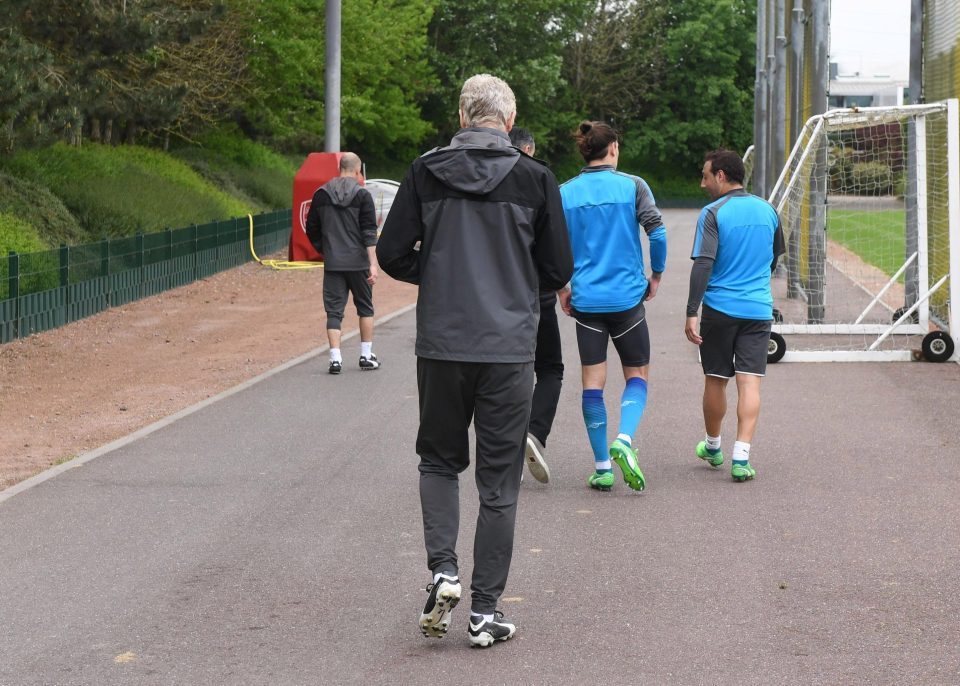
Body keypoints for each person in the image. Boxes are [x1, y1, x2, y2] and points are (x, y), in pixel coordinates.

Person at [377, 74, 573, 647]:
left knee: (438, 462)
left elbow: (392, 253)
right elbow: (557, 268)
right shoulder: (536, 178)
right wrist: (513, 286)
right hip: (509, 347)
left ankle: (443, 570)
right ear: (508, 123)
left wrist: (437, 274)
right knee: (498, 481)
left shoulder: (424, 171)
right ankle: (485, 612)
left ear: (463, 116)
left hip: (442, 342)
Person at [558, 121, 667, 493]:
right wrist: (657, 274)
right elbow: (658, 231)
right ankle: (624, 438)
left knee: (593, 382)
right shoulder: (633, 186)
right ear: (614, 148)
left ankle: (602, 466)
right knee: (637, 376)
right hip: (627, 300)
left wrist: (562, 288)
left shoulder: (565, 193)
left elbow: (551, 248)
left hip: (586, 302)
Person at [684, 149, 785, 482]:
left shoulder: (713, 213)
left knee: (716, 378)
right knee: (750, 381)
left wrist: (691, 311)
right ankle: (741, 457)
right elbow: (773, 259)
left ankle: (713, 447)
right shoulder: (769, 210)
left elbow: (703, 263)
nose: (703, 183)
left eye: (705, 175)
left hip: (720, 309)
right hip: (758, 310)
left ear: (722, 176)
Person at [509, 126, 566, 484]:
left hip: (497, 296)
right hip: (536, 292)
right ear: (529, 148)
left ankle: (503, 449)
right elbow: (556, 251)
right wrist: (556, 286)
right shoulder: (541, 179)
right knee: (549, 369)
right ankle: (534, 431)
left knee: (507, 372)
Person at [304, 152, 381, 374]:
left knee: (334, 312)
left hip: (333, 263)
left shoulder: (321, 194)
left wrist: (325, 249)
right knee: (365, 308)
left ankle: (335, 359)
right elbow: (369, 233)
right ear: (358, 171)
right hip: (358, 264)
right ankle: (366, 356)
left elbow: (311, 229)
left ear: (340, 168)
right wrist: (372, 264)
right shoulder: (363, 196)